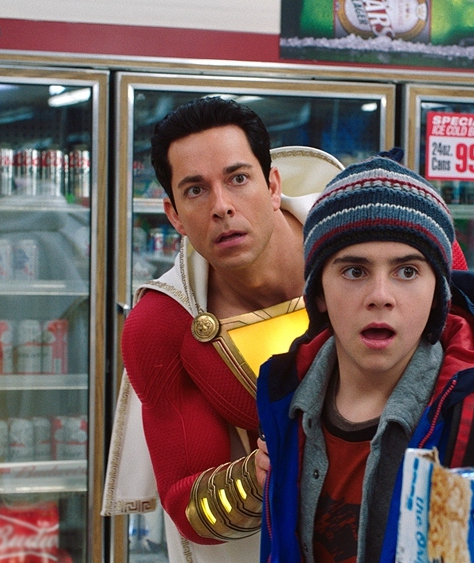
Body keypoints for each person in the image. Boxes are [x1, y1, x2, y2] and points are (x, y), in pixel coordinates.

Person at [256, 154, 474, 563]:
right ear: (318, 293)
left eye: (407, 272)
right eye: (354, 271)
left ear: (438, 295)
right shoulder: (284, 401)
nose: (380, 296)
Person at [102, 97, 345, 562]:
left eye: (238, 179)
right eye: (196, 190)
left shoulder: (374, 229)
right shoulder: (162, 324)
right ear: (174, 214)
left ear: (272, 186)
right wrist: (259, 476)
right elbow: (188, 505)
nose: (222, 207)